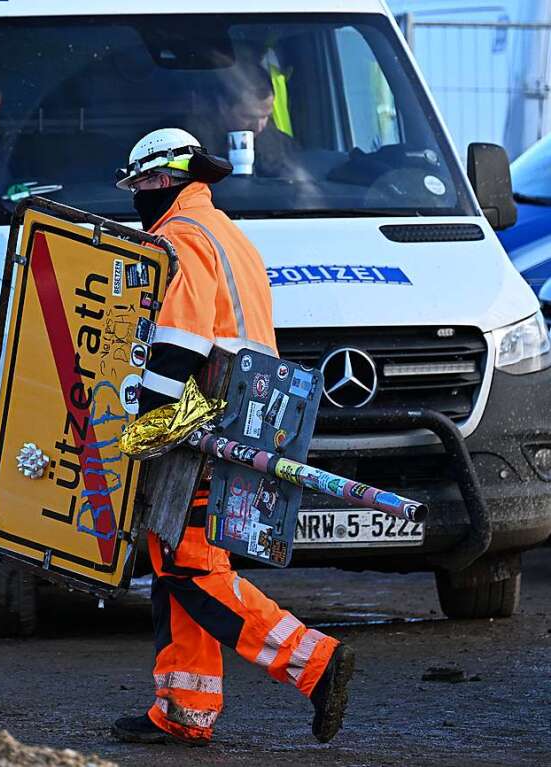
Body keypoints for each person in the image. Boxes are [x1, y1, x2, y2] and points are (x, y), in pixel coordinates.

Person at [110, 128, 354, 746]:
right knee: (180, 556)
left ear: (163, 179)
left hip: (205, 423)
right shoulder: (229, 233)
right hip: (247, 416)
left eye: (140, 184)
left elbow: (180, 342)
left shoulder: (181, 237)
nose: (136, 196)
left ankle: (313, 661)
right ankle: (184, 709)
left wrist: (140, 425)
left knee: (191, 568)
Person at [188, 61, 300, 178]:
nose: (258, 126)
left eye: (265, 116)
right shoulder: (192, 143)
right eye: (248, 117)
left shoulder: (281, 146)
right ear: (223, 106)